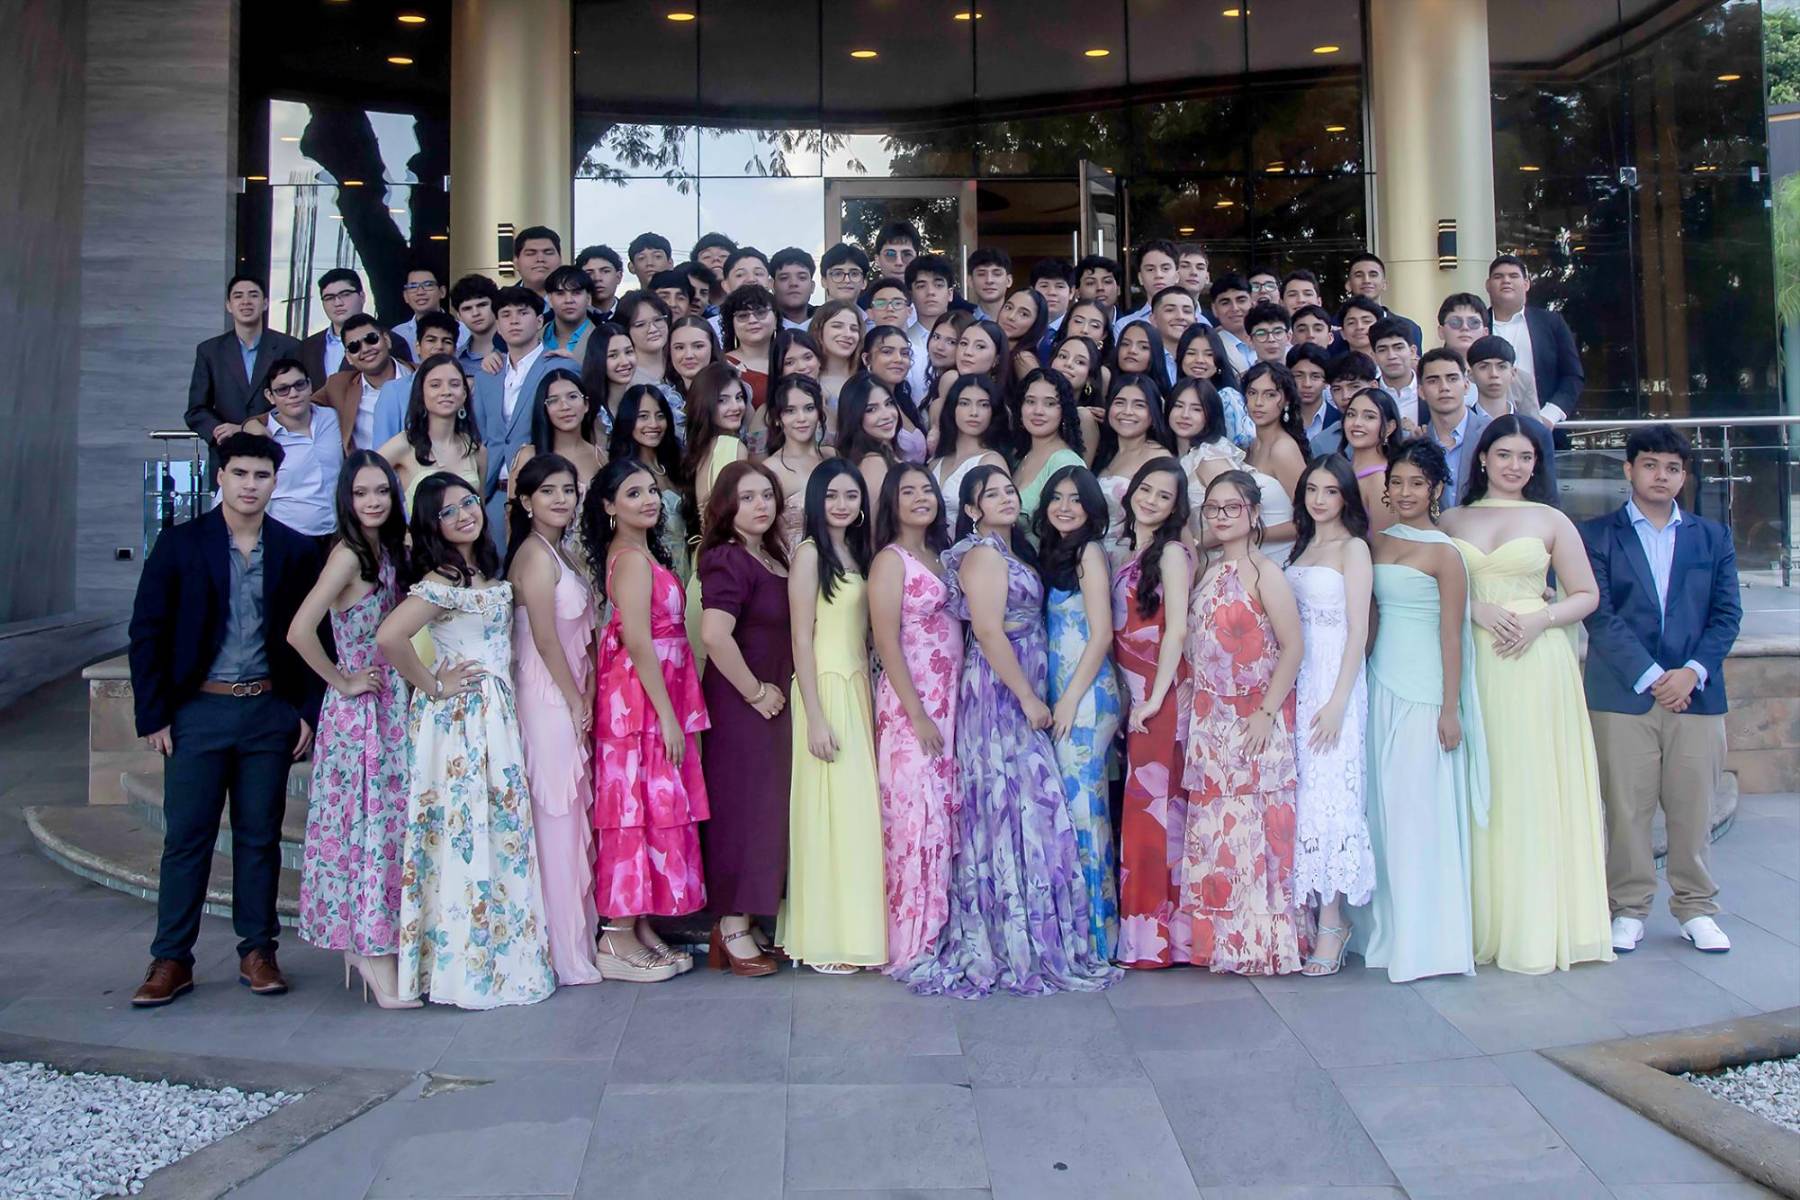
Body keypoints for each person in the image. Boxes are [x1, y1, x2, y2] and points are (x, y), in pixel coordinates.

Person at [127, 432, 326, 1007]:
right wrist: (154, 715)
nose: (250, 485)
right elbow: (147, 632)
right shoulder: (181, 544)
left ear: (275, 482)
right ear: (221, 477)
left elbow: (318, 637)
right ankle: (170, 958)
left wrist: (306, 709)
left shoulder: (294, 549)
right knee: (186, 838)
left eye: (261, 476)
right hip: (198, 711)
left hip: (267, 709)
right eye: (240, 473)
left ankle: (258, 951)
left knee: (259, 838)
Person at [906, 466, 1120, 997]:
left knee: (1028, 808)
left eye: (1008, 490)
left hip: (1027, 683)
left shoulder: (1014, 550)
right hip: (1004, 692)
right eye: (990, 493)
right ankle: (1011, 932)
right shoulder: (982, 553)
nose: (1004, 498)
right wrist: (1026, 695)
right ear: (973, 508)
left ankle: (1038, 923)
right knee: (1017, 804)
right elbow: (985, 629)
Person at [374, 472, 556, 1008]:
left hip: (497, 714)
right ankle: (462, 967)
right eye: (449, 510)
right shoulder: (440, 580)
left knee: (499, 829)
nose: (464, 515)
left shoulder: (485, 572)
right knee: (463, 831)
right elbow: (390, 637)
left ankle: (505, 958)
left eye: (469, 502)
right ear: (433, 523)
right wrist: (433, 684)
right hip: (460, 720)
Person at [1442, 416, 1613, 974]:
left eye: (1526, 457)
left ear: (1536, 465)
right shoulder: (1451, 519)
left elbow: (1586, 594)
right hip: (1474, 663)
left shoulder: (1553, 520)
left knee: (1533, 783)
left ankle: (1537, 922)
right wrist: (1474, 610)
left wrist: (1542, 619)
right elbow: (1431, 592)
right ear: (1483, 458)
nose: (1514, 466)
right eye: (1504, 454)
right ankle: (1482, 918)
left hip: (1537, 664)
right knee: (1482, 784)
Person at [1579, 425, 1741, 955]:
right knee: (1625, 807)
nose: (1661, 476)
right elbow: (1599, 615)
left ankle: (1696, 908)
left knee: (1693, 806)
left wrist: (1691, 671)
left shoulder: (1711, 537)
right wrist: (1652, 676)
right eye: (1650, 465)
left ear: (1684, 476)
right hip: (1624, 694)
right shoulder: (1597, 535)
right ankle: (1627, 909)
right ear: (1629, 470)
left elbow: (1726, 615)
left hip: (1696, 694)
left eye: (1672, 468)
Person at [1348, 439, 1488, 982]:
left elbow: (1452, 638)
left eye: (1416, 483)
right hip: (1380, 684)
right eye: (1397, 483)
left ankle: (1426, 939)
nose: (1404, 493)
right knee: (1379, 811)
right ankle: (1381, 933)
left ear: (1435, 489)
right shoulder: (1376, 543)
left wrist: (1450, 710)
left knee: (1414, 811)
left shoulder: (1445, 553)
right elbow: (1371, 619)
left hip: (1425, 691)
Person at [288, 450, 414, 1007]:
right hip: (359, 712)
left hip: (392, 704)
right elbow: (299, 630)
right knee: (365, 832)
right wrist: (339, 681)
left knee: (388, 830)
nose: (372, 502)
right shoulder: (346, 556)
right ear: (347, 498)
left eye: (381, 491)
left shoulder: (388, 551)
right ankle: (367, 949)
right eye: (362, 493)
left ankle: (375, 946)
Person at [580, 457, 710, 981]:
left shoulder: (639, 552)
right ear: (610, 507)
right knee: (633, 803)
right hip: (640, 700)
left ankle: (637, 923)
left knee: (650, 805)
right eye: (633, 494)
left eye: (652, 491)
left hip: (656, 689)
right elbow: (637, 638)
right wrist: (668, 717)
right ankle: (615, 932)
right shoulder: (630, 560)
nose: (649, 500)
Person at [1183, 469, 1306, 975]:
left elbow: (1293, 647)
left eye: (1233, 507)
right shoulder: (1208, 568)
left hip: (1255, 713)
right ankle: (1223, 941)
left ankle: (1263, 942)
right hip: (1210, 715)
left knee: (1255, 828)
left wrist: (1266, 713)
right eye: (1214, 508)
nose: (1222, 516)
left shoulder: (1265, 573)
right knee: (1218, 831)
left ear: (1254, 514)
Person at [780, 459, 886, 972]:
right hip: (825, 688)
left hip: (859, 687)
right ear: (817, 500)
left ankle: (860, 930)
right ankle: (828, 938)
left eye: (851, 496)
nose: (843, 505)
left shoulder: (856, 552)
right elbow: (801, 637)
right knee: (831, 815)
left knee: (858, 816)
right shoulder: (809, 555)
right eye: (833, 496)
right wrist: (815, 716)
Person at [503, 454, 604, 986]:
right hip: (545, 696)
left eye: (568, 489)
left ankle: (574, 941)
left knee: (570, 819)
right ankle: (559, 950)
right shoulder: (534, 556)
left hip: (567, 691)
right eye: (548, 491)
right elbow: (543, 637)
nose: (561, 499)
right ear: (526, 501)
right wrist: (573, 698)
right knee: (556, 814)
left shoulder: (560, 551)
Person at [696, 461, 792, 976]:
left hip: (772, 696)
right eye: (748, 497)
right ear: (727, 506)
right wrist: (755, 693)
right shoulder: (727, 559)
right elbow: (714, 635)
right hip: (744, 701)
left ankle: (750, 919)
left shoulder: (772, 555)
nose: (760, 505)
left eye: (767, 495)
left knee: (766, 809)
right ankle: (729, 925)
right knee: (743, 808)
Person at [1284, 457, 1376, 976]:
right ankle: (1309, 912)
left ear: (1346, 497)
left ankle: (1334, 921)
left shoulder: (1353, 548)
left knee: (1333, 795)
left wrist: (1340, 699)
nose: (1320, 499)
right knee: (1303, 795)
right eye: (1312, 490)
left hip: (1335, 681)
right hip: (1300, 678)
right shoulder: (1302, 547)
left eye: (1331, 491)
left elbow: (1358, 629)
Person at [868, 464, 959, 975]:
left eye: (927, 489)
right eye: (909, 491)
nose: (921, 497)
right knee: (912, 816)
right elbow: (885, 641)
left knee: (941, 815)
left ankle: (939, 929)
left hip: (950, 701)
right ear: (892, 502)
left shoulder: (942, 557)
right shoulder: (890, 560)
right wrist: (917, 713)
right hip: (912, 705)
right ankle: (909, 939)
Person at [1035, 465, 1122, 960]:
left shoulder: (1090, 552)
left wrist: (1068, 698)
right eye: (1057, 498)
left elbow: (1102, 633)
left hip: (1086, 696)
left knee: (1085, 812)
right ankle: (1075, 925)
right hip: (1065, 690)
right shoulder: (1057, 553)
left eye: (1075, 499)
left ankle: (1096, 936)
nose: (1065, 507)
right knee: (1073, 810)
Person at [1112, 457, 1196, 968]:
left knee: (1159, 814)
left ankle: (1166, 940)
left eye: (1164, 496)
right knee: (1145, 813)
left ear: (1174, 507)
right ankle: (1147, 938)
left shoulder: (1171, 554)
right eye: (1146, 489)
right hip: (1138, 694)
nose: (1151, 500)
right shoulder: (1128, 550)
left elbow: (1178, 630)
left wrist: (1156, 696)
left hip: (1161, 698)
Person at [187, 273, 302, 480]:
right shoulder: (209, 351)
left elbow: (298, 400)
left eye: (253, 295)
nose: (246, 301)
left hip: (277, 449)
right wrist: (220, 432)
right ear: (229, 305)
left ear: (265, 303)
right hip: (227, 454)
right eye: (238, 296)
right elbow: (196, 410)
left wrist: (247, 428)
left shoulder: (289, 347)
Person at [472, 286, 557, 548]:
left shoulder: (559, 366)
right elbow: (479, 435)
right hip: (494, 492)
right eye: (506, 315)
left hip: (540, 489)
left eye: (523, 313)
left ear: (540, 320)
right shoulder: (487, 374)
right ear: (497, 325)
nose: (514, 320)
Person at [243, 358, 343, 540]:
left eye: (299, 385)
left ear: (310, 385)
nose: (293, 394)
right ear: (269, 396)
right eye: (283, 390)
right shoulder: (263, 437)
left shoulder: (331, 417)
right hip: (286, 537)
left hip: (337, 536)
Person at [379, 354, 486, 524]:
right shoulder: (403, 445)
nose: (446, 392)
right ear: (421, 392)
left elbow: (481, 513)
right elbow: (359, 481)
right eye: (435, 385)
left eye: (455, 384)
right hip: (423, 548)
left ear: (465, 394)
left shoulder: (476, 450)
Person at [1485, 253, 1583, 427]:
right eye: (1498, 276)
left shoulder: (1551, 323)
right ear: (1488, 285)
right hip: (1486, 426)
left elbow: (1572, 376)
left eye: (1513, 276)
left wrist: (1549, 416)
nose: (1506, 280)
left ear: (1526, 284)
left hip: (1545, 426)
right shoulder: (1475, 325)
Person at [608, 383, 691, 580]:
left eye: (660, 415)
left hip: (689, 567)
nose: (653, 424)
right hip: (649, 572)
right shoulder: (623, 474)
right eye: (642, 416)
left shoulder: (677, 465)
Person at [1093, 373, 1175, 562]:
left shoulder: (1158, 458)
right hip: (1096, 560)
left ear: (1153, 414)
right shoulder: (1106, 453)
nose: (1127, 411)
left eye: (1139, 405)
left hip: (1133, 562)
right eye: (1120, 402)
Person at [1465, 334, 1558, 494]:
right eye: (1484, 366)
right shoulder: (1461, 425)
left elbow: (1548, 490)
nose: (1493, 374)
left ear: (1513, 372)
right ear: (1470, 374)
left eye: (1501, 366)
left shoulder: (1537, 431)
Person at [928, 373, 1011, 539]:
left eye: (984, 405)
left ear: (993, 411)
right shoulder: (934, 463)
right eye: (965, 403)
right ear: (953, 408)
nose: (974, 412)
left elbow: (1002, 525)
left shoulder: (991, 462)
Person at [1240, 361, 1307, 564]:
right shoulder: (1249, 446)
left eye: (1270, 395)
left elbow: (1308, 519)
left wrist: (1252, 535)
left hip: (1279, 558)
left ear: (1286, 400)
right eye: (1252, 393)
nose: (1258, 402)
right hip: (1251, 557)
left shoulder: (1283, 449)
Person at [763, 374, 835, 555]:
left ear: (819, 413)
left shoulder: (832, 456)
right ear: (778, 418)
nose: (801, 418)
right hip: (795, 571)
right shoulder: (771, 469)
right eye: (790, 410)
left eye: (809, 408)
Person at [320, 313, 412, 452]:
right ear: (348, 358)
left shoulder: (424, 376)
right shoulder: (338, 386)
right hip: (369, 470)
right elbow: (298, 407)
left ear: (387, 340)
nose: (365, 349)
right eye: (354, 347)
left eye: (371, 339)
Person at [1416, 348, 1490, 511]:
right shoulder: (1416, 445)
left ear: (1466, 385)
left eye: (1452, 378)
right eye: (1433, 381)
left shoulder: (1492, 434)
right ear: (1421, 391)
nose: (1444, 387)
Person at [372, 312, 461, 447]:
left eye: (446, 341)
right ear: (418, 346)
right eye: (431, 340)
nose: (439, 347)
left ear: (454, 350)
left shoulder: (461, 389)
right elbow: (382, 447)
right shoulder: (394, 391)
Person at [1012, 367, 1088, 521]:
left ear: (1064, 412)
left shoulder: (1065, 462)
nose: (1038, 411)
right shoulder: (1020, 455)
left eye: (1050, 403)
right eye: (1030, 401)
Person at [836, 371, 904, 525]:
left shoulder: (886, 454)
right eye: (871, 409)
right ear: (854, 416)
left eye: (888, 403)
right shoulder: (873, 462)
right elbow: (873, 526)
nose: (886, 415)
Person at [1339, 386, 1404, 534]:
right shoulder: (1343, 469)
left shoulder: (1381, 481)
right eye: (1351, 414)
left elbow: (1383, 546)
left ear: (1389, 427)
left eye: (1369, 417)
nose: (1357, 423)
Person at [1176, 323, 1253, 447]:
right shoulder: (1175, 395)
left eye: (1209, 354)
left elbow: (1242, 448)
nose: (1199, 360)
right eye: (1191, 353)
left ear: (1218, 360)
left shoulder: (1228, 399)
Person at [301, 268, 379, 387]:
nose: (338, 303)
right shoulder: (306, 348)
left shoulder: (385, 341)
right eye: (329, 298)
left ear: (362, 297)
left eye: (345, 295)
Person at [721, 283, 778, 434]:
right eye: (742, 316)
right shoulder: (722, 365)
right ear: (731, 324)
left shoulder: (793, 360)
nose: (752, 320)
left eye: (760, 312)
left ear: (776, 318)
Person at [1345, 251, 1422, 350]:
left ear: (1384, 283)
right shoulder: (1332, 328)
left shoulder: (1410, 328)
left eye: (1373, 275)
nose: (1366, 280)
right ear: (1348, 284)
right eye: (1359, 275)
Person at [905, 255, 959, 397]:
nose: (930, 292)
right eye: (921, 286)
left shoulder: (966, 339)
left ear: (950, 293)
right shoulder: (902, 341)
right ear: (910, 295)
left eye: (938, 285)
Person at [808, 299, 864, 422]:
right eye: (837, 326)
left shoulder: (868, 381)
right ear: (818, 331)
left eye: (854, 329)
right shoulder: (806, 382)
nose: (847, 334)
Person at [1112, 238, 1178, 332]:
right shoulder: (1125, 326)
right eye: (1150, 269)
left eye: (1165, 268)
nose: (1158, 275)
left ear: (1177, 275)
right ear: (1140, 278)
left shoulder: (1196, 321)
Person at [390, 261, 450, 359]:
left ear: (442, 292)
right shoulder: (397, 334)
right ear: (405, 296)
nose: (420, 292)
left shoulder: (464, 331)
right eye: (413, 287)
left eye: (428, 285)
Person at [1287, 343, 1339, 455]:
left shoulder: (1339, 421)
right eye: (1299, 376)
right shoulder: (1280, 420)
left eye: (1315, 376)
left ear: (1326, 382)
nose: (1307, 384)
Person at [541, 265, 597, 364]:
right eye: (560, 294)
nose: (569, 300)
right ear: (549, 299)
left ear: (588, 298)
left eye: (576, 293)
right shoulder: (534, 338)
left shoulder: (606, 340)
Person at [450, 273, 504, 372]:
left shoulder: (517, 348)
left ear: (496, 305)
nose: (475, 313)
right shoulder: (456, 361)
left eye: (482, 305)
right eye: (467, 308)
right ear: (459, 316)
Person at [1149, 286, 1198, 385]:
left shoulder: (1204, 359)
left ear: (1196, 320)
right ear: (1153, 320)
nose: (1180, 316)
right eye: (1170, 310)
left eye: (1187, 311)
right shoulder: (1144, 358)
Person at [1207, 273, 1256, 372]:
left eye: (1241, 300)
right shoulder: (1208, 347)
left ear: (1252, 303)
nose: (1235, 308)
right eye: (1225, 303)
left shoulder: (1270, 339)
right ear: (1214, 309)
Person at [668, 313, 721, 400]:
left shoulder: (732, 391)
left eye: (698, 346)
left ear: (712, 348)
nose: (688, 355)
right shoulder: (662, 396)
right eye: (679, 347)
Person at [998, 287, 1048, 377]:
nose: (1011, 317)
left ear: (1036, 322)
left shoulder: (1023, 359)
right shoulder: (996, 349)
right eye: (1008, 307)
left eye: (1023, 314)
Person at [1030, 257, 1074, 358]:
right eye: (1044, 286)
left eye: (1059, 286)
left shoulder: (1077, 329)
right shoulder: (1022, 327)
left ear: (1071, 292)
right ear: (1032, 291)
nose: (1052, 292)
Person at [1369, 318, 1417, 411]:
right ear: (1374, 356)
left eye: (1398, 348)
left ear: (1412, 352)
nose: (1391, 356)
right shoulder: (1367, 394)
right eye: (1382, 350)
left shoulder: (1430, 390)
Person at [770, 246, 818, 329]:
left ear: (812, 286)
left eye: (802, 277)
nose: (793, 283)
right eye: (784, 278)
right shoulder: (761, 330)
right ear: (772, 286)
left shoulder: (828, 327)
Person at [576, 244, 624, 323]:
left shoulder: (632, 314)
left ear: (619, 277)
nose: (597, 278)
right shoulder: (573, 317)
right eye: (589, 273)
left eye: (605, 271)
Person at [514, 226, 563, 298]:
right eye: (531, 253)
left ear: (560, 259)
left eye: (548, 253)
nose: (540, 259)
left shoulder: (579, 303)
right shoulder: (498, 302)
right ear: (516, 262)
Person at [967, 247, 1013, 320]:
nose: (989, 280)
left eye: (997, 274)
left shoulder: (1020, 324)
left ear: (1009, 281)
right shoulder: (962, 325)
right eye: (981, 274)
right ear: (970, 281)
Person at [1244, 301, 1292, 366]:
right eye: (1261, 334)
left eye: (1277, 332)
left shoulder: (1302, 375)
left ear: (1288, 337)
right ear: (1250, 340)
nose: (1271, 339)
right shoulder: (1244, 376)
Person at [1337, 295, 1383, 360]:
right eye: (1351, 323)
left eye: (1366, 321)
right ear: (1342, 333)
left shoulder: (1393, 366)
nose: (1359, 327)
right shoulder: (1335, 368)